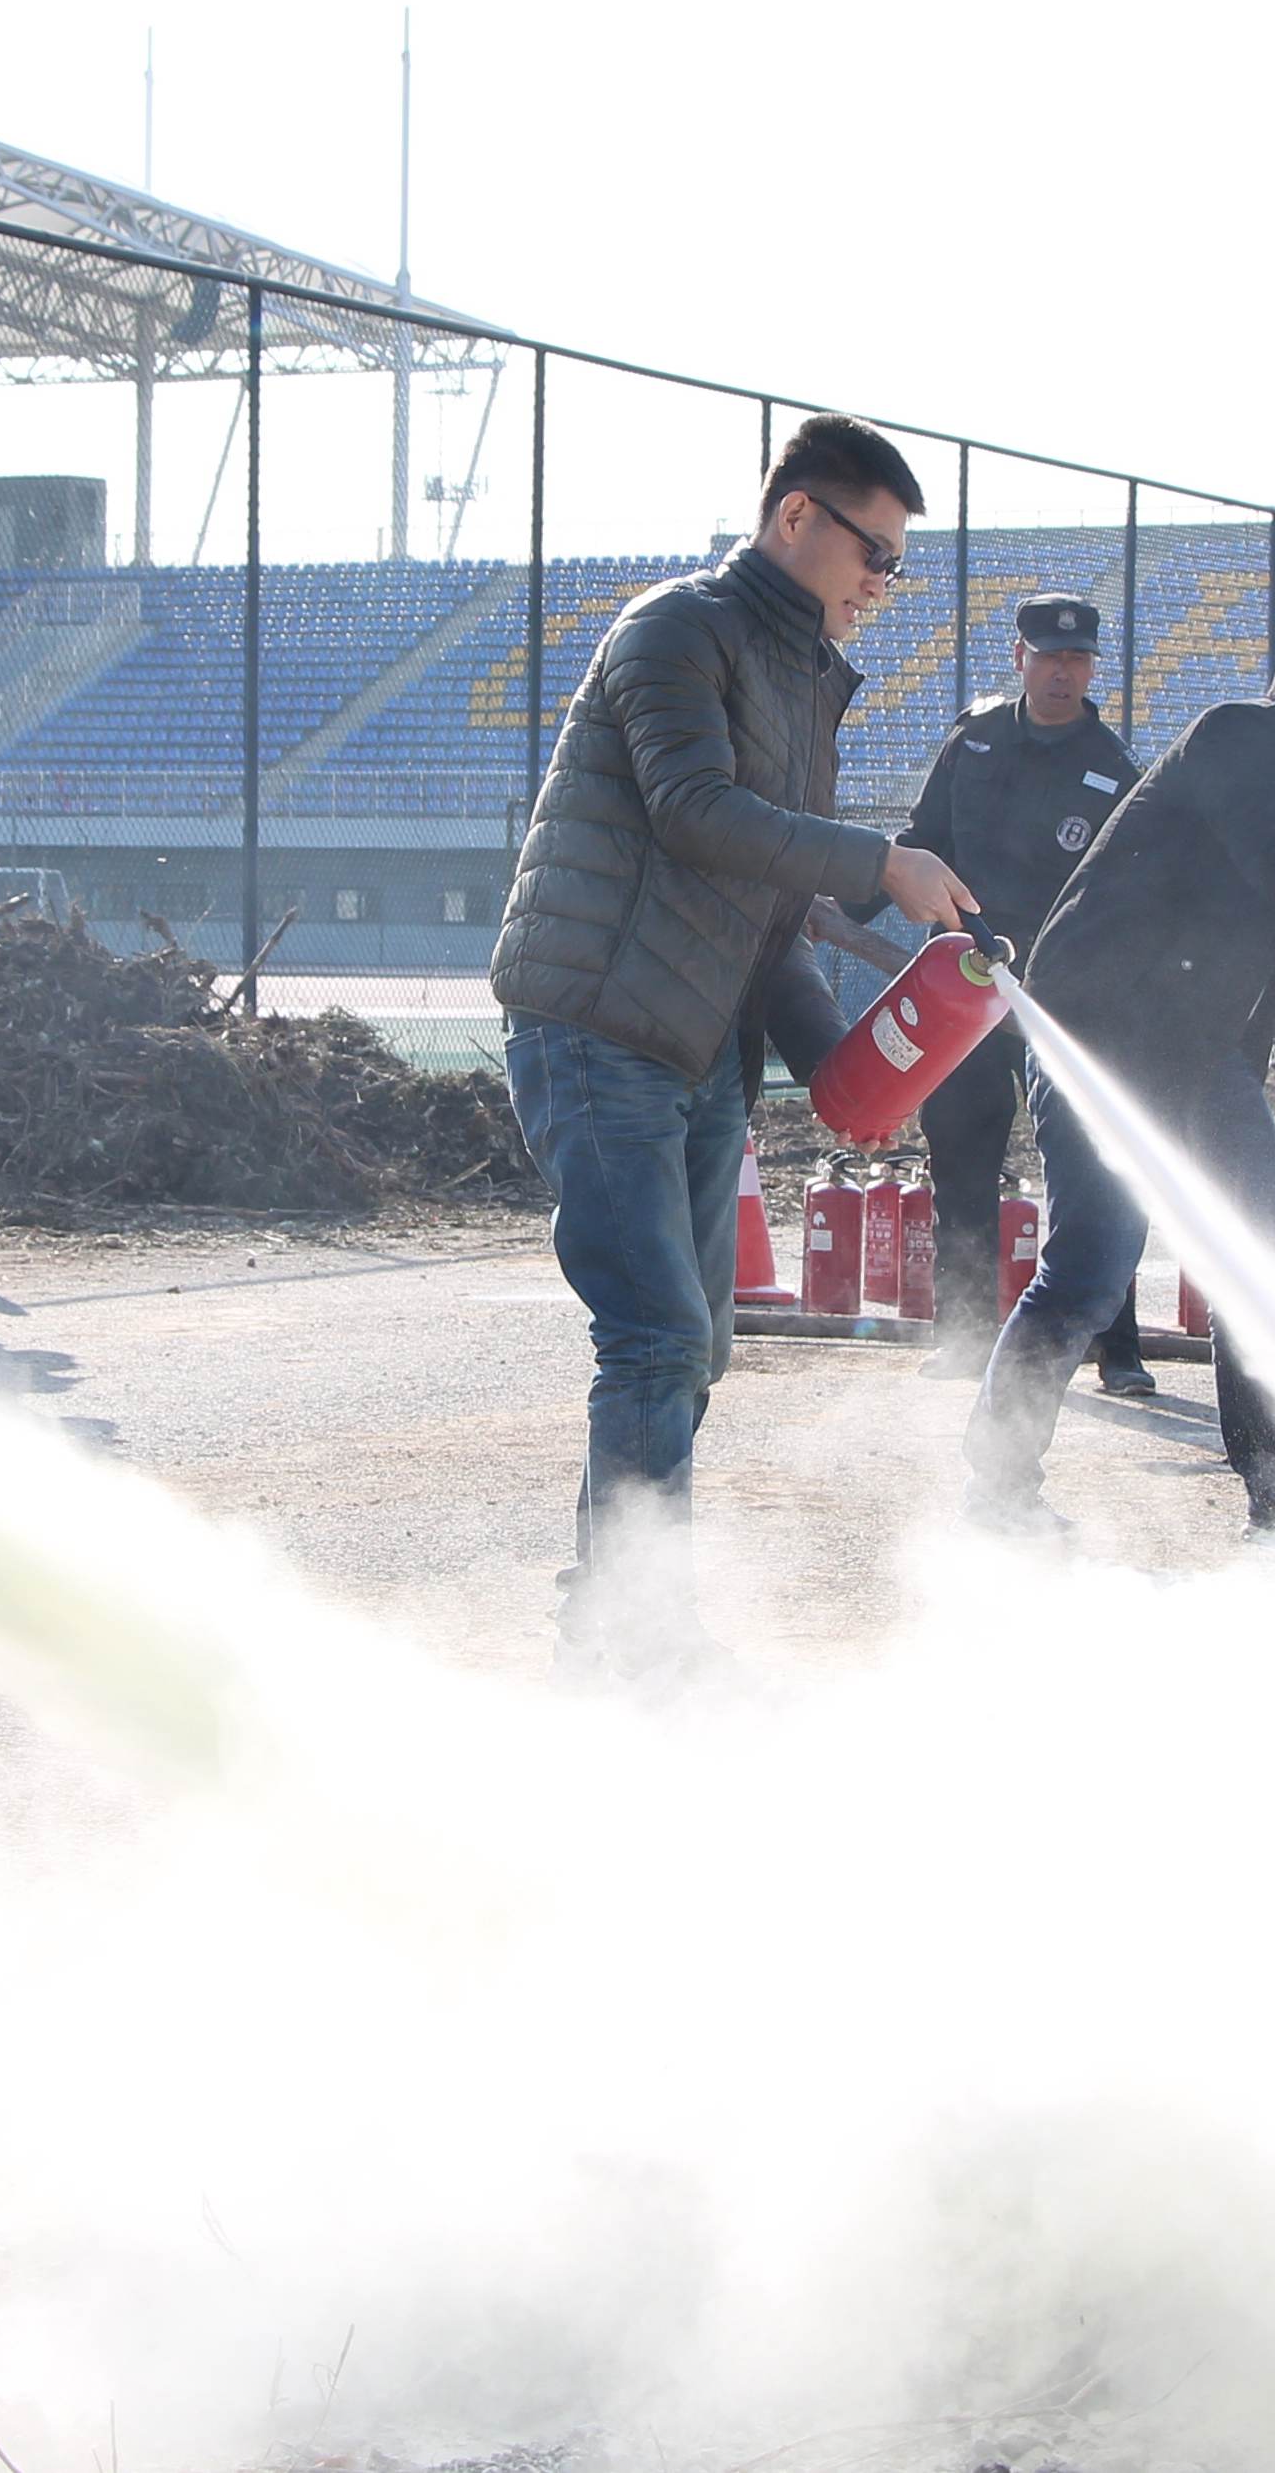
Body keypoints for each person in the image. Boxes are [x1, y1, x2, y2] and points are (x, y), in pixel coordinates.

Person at [491, 413, 983, 1675]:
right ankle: (631, 1643)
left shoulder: (804, 680)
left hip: (702, 1045)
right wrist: (880, 858)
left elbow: (772, 909)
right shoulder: (677, 629)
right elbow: (697, 813)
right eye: (874, 552)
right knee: (655, 1333)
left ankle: (617, 1604)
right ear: (797, 519)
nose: (884, 584)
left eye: (897, 565)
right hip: (598, 1025)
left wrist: (840, 1069)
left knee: (697, 1342)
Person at [954, 611, 1275, 1541]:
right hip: (1098, 1036)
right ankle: (995, 1490)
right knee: (1092, 1267)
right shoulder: (1237, 736)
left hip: (1204, 1059)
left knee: (1258, 1272)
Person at [880, 592, 1154, 1392]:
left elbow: (1129, 896)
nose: (1062, 672)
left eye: (1077, 660)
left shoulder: (1113, 770)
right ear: (1019, 658)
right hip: (959, 989)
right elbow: (920, 842)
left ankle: (1117, 1345)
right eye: (1047, 656)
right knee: (960, 1159)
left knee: (1091, 1169)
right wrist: (843, 898)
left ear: (1093, 667)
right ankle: (962, 1336)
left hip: (1062, 1001)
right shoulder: (973, 741)